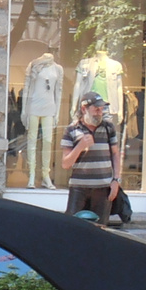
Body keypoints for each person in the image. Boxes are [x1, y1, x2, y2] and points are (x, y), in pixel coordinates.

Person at [60, 91, 121, 222]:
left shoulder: (108, 127)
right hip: (79, 188)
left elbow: (115, 154)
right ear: (84, 109)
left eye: (101, 109)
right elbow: (65, 164)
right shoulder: (72, 130)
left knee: (100, 229)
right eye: (96, 109)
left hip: (103, 188)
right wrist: (80, 146)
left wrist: (116, 180)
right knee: (73, 227)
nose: (100, 113)